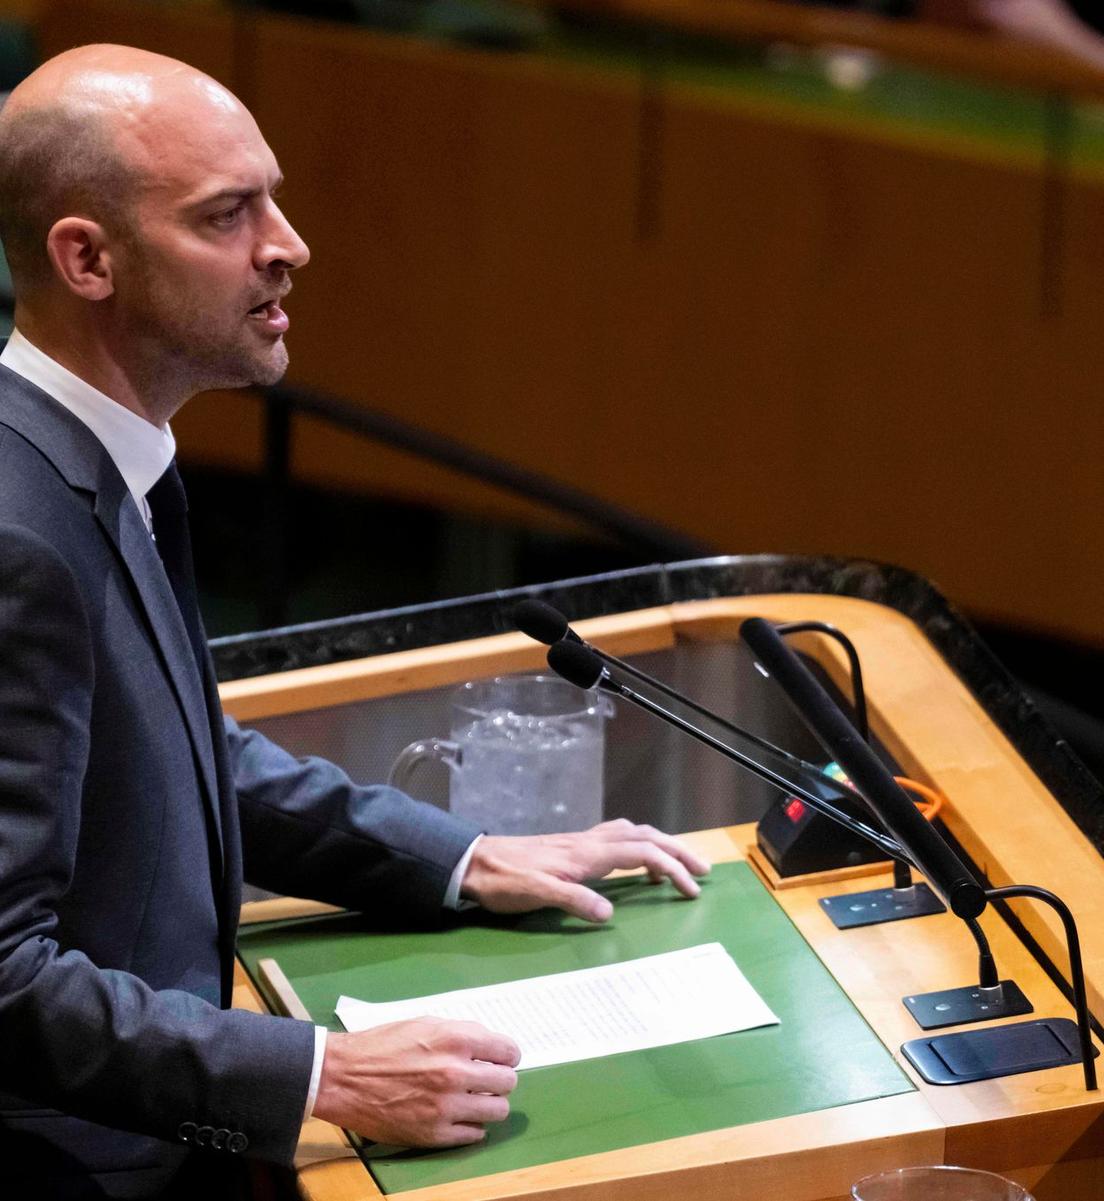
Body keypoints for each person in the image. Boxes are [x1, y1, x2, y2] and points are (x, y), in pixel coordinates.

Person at [0, 44, 709, 1198]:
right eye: (226, 214)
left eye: (272, 199)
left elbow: (174, 754)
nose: (288, 244)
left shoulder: (96, 461)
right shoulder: (19, 536)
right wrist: (322, 1074)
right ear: (88, 258)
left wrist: (463, 857)